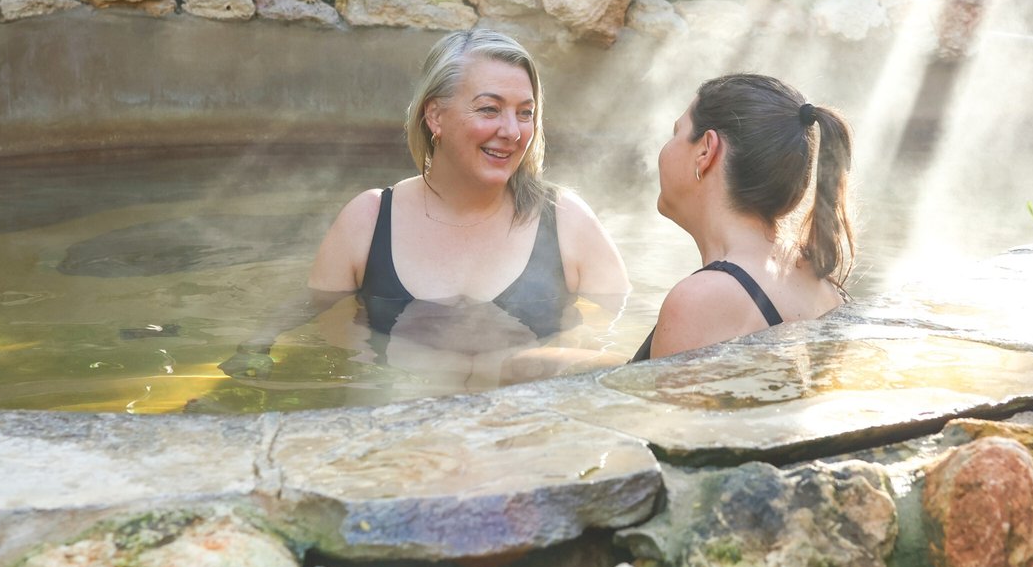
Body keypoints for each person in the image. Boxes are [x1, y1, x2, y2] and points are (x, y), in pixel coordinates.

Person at [223, 29, 631, 386]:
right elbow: (322, 321)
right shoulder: (368, 220)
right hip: (401, 429)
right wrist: (257, 346)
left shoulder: (565, 220)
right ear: (435, 115)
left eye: (525, 113)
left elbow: (623, 337)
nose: (511, 131)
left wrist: (555, 356)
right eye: (489, 109)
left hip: (523, 431)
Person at [634, 73, 855, 361]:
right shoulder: (823, 285)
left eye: (676, 133)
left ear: (705, 150)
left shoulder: (701, 300)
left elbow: (669, 408)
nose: (663, 150)